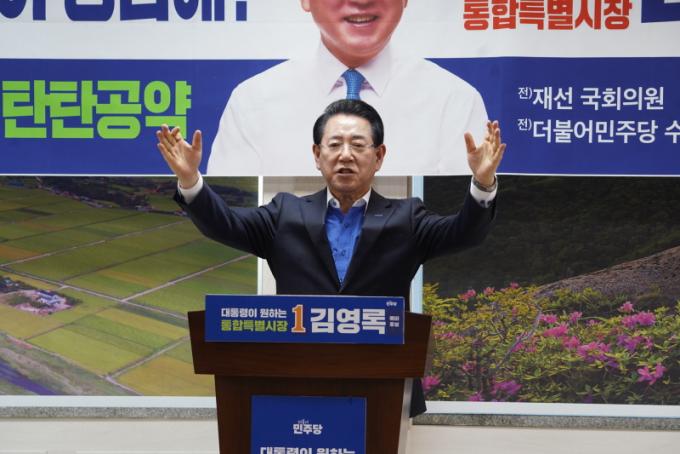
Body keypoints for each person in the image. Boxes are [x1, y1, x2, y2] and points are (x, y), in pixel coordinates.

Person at [156, 99, 505, 416]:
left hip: (383, 390)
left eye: (358, 145)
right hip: (297, 386)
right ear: (317, 154)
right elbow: (225, 225)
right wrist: (190, 180)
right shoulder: (284, 213)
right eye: (335, 144)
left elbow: (464, 233)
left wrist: (483, 183)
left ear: (379, 156)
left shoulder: (407, 218)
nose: (345, 155)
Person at [207, 0, 488, 176]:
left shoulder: (454, 100)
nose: (362, 1)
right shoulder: (253, 101)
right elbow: (232, 219)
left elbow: (464, 221)